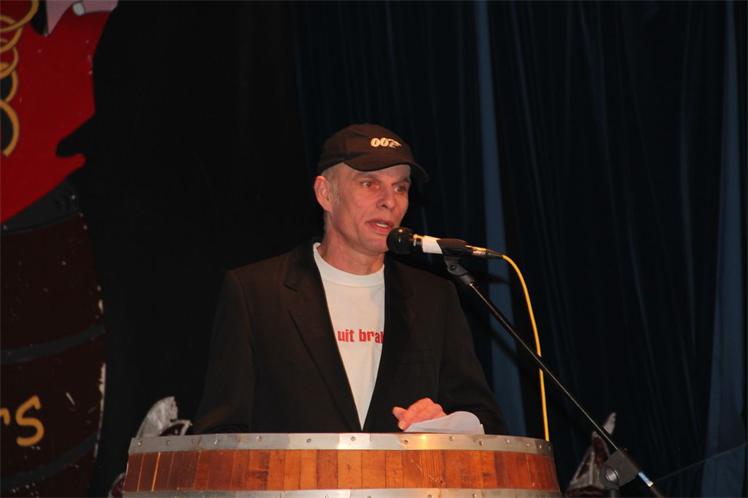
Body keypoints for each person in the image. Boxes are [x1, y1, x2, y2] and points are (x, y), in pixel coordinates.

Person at [194, 123, 506, 434]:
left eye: (400, 187)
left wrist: (447, 422)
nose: (389, 201)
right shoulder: (256, 293)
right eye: (369, 184)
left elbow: (486, 421)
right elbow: (219, 433)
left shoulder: (434, 298)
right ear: (325, 194)